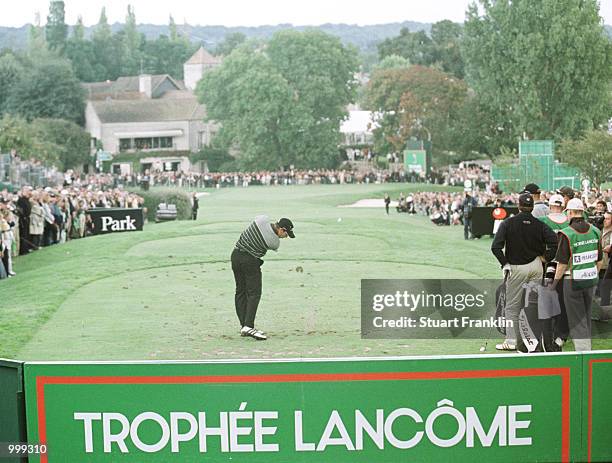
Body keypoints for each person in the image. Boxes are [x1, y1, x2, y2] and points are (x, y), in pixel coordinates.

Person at [491, 192, 558, 351]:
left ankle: (512, 341)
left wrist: (504, 263)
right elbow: (554, 241)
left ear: (519, 206)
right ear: (532, 206)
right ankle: (532, 340)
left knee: (512, 306)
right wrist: (546, 257)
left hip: (516, 268)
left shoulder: (508, 223)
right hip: (536, 266)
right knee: (532, 305)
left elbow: (495, 247)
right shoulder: (540, 224)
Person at [231, 216, 295, 340]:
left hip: (235, 256)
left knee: (240, 291)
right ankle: (248, 326)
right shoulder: (274, 242)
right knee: (254, 293)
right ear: (281, 230)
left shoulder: (262, 219)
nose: (286, 237)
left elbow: (259, 223)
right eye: (286, 234)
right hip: (249, 261)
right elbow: (270, 244)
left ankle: (244, 326)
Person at [551, 198, 603, 351]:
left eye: (568, 212)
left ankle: (583, 355)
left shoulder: (566, 233)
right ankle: (587, 350)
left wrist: (554, 284)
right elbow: (599, 260)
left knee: (576, 320)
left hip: (572, 281)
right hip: (591, 278)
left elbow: (561, 265)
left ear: (571, 212)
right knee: (585, 317)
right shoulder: (595, 231)